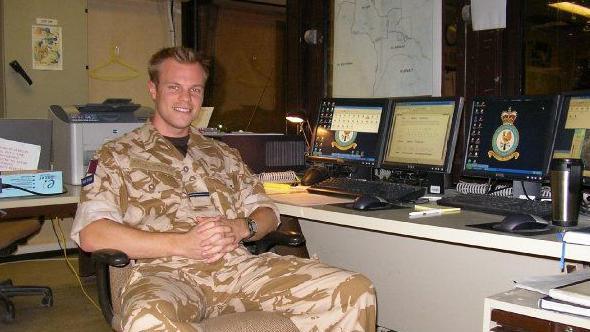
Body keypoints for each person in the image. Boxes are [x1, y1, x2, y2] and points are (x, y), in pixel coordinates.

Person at [71, 46, 376, 332]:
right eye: (174, 87)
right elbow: (92, 234)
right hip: (164, 275)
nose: (185, 98)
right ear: (153, 90)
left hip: (239, 270)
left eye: (195, 89)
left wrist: (242, 227)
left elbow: (269, 213)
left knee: (355, 290)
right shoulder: (117, 154)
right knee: (148, 321)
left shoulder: (224, 154)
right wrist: (182, 244)